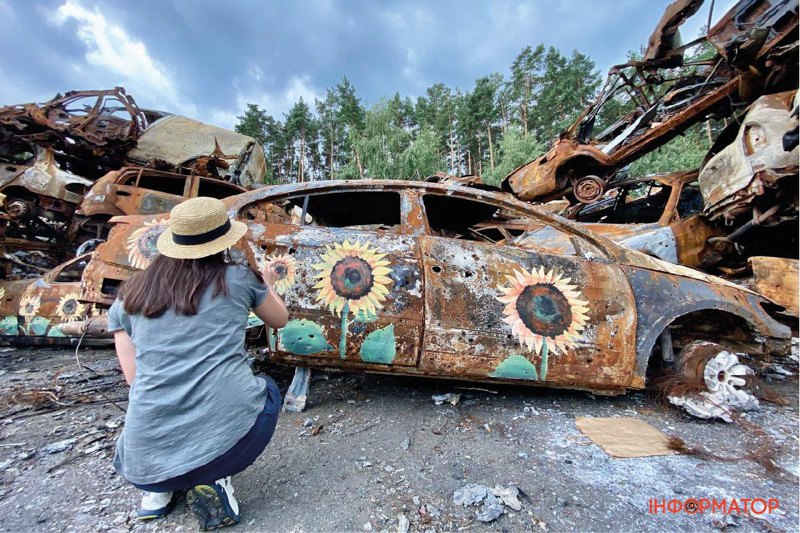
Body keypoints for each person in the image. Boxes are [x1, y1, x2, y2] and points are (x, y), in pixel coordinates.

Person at [107, 197, 289, 530]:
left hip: (141, 459)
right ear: (224, 239)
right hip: (225, 445)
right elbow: (280, 319)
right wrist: (267, 283)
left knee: (152, 406)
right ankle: (216, 478)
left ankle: (157, 493)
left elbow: (134, 380)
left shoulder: (130, 293)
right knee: (269, 391)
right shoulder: (237, 279)